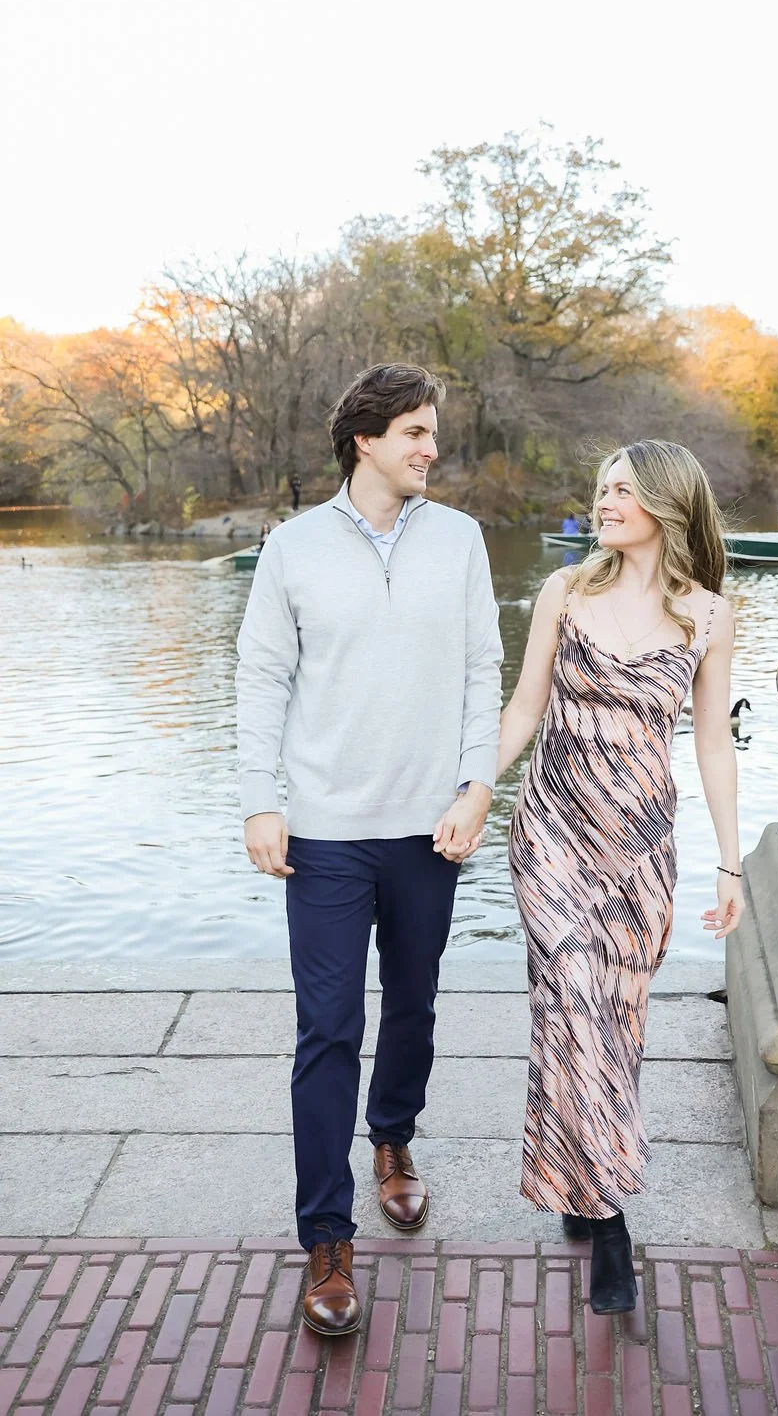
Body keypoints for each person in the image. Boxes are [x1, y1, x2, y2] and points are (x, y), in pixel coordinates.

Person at [236, 363, 502, 1337]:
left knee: (418, 1002)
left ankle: (392, 1139)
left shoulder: (462, 541)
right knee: (329, 1026)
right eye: (415, 434)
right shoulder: (294, 550)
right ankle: (325, 1238)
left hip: (431, 825)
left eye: (433, 433)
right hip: (325, 832)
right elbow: (261, 677)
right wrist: (260, 801)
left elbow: (485, 671)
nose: (431, 449)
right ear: (365, 440)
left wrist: (478, 788)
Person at [497, 439, 743, 1315]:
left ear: (667, 506)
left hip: (640, 847)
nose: (604, 501)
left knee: (615, 1019)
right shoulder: (566, 591)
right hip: (553, 831)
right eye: (601, 486)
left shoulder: (710, 615)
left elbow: (712, 741)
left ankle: (575, 1168)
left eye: (623, 490)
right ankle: (608, 1224)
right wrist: (467, 789)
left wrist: (730, 861)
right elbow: (526, 705)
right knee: (571, 997)